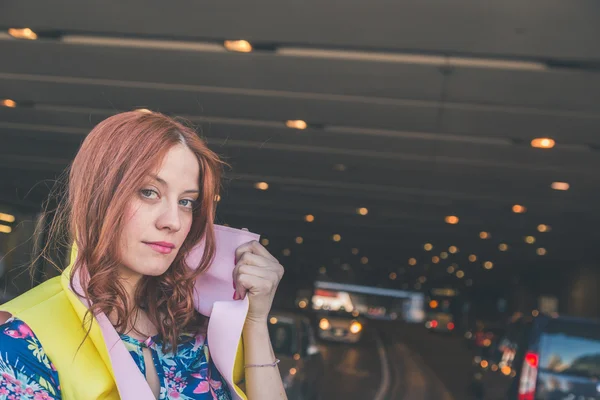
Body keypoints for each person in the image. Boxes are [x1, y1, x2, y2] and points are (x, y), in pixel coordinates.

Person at [0, 111, 287, 400]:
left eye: (186, 201)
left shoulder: (199, 325)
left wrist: (255, 320)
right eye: (149, 192)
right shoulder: (25, 337)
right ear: (98, 196)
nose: (173, 221)